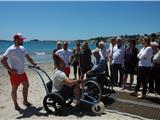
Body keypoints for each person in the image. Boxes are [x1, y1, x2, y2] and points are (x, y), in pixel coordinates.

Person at [1, 33, 38, 110]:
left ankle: (25, 101)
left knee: (26, 85)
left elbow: (28, 58)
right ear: (16, 40)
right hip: (15, 74)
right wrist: (10, 70)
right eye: (21, 39)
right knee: (14, 89)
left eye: (22, 39)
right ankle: (16, 105)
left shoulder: (22, 48)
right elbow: (2, 60)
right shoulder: (10, 49)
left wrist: (34, 64)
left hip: (22, 73)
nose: (22, 40)